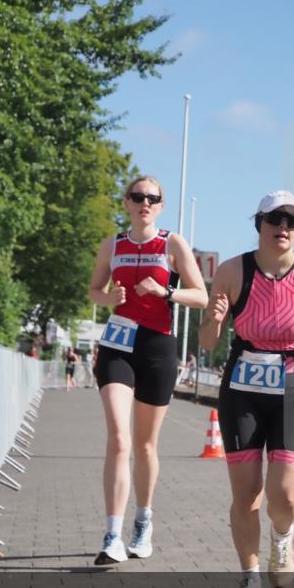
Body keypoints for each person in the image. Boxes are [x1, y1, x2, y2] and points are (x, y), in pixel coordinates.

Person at [200, 191, 294, 588]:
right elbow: (207, 343)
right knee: (247, 493)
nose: (283, 227)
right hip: (243, 387)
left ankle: (282, 541)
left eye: (292, 222)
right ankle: (249, 575)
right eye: (275, 219)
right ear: (258, 223)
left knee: (287, 495)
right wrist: (214, 318)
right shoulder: (232, 271)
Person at [88, 175, 208, 565]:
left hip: (158, 347)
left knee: (144, 445)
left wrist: (166, 291)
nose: (145, 203)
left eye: (152, 198)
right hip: (118, 345)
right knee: (119, 438)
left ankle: (143, 520)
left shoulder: (173, 244)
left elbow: (201, 296)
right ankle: (111, 535)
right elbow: (94, 290)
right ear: (126, 202)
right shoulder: (112, 245)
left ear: (160, 206)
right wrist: (108, 297)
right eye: (137, 196)